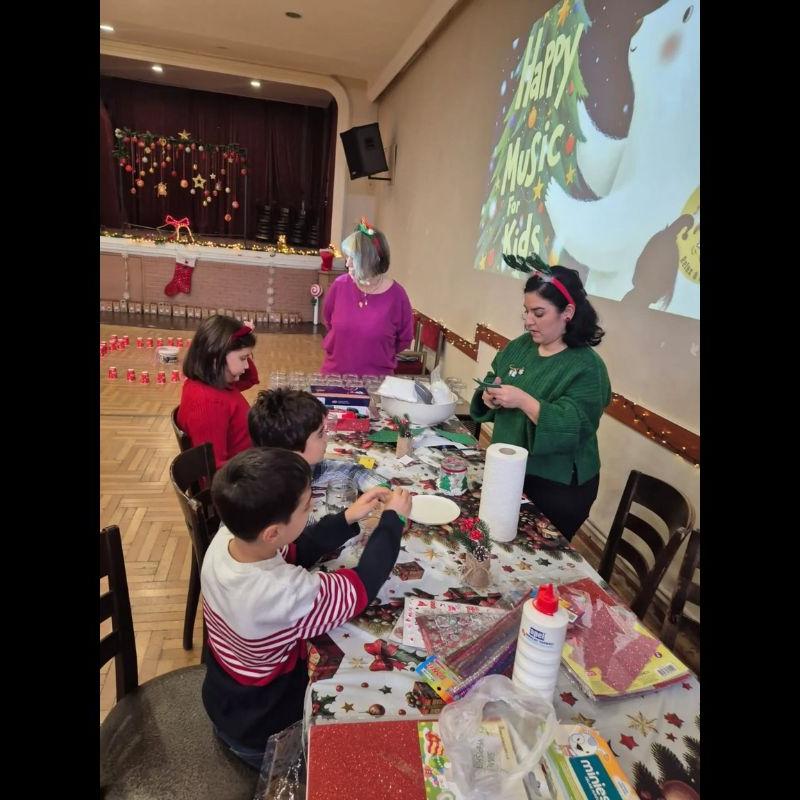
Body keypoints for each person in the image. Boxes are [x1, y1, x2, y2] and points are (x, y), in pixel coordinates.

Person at [201, 447, 412, 768]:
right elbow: (362, 585)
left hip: (225, 701)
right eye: (306, 506)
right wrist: (393, 521)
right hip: (262, 730)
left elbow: (296, 549)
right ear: (272, 532)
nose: (312, 505)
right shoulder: (282, 592)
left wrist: (347, 517)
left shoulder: (227, 539)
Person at [470, 264, 611, 540]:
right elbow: (493, 376)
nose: (528, 321)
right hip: (510, 471)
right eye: (526, 311)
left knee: (532, 551)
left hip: (557, 486)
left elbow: (575, 426)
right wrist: (489, 396)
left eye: (538, 313)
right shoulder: (521, 347)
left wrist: (524, 401)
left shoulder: (587, 367)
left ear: (567, 312)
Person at [248, 387, 387, 496]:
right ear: (291, 446)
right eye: (320, 434)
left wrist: (383, 490)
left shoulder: (305, 468)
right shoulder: (264, 495)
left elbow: (352, 471)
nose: (327, 438)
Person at [321, 219, 414, 375]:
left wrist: (376, 354)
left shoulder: (397, 296)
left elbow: (404, 339)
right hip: (334, 377)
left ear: (371, 260)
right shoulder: (339, 285)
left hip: (376, 381)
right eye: (347, 257)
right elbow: (329, 322)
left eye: (353, 258)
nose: (347, 264)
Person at [177, 314, 259, 469]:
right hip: (239, 475)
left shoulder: (216, 383)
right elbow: (215, 468)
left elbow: (249, 379)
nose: (247, 366)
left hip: (246, 461)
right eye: (243, 358)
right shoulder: (209, 402)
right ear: (216, 356)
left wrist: (243, 342)